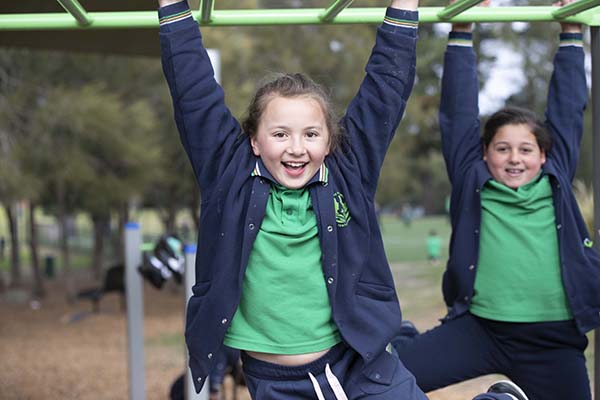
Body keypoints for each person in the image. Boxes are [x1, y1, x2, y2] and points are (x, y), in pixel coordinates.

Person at [157, 0, 528, 398]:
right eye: (280, 134)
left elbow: (385, 87)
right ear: (254, 140)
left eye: (311, 135)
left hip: (356, 366)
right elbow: (193, 92)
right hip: (271, 380)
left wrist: (404, 6)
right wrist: (171, 7)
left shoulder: (347, 173)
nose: (296, 148)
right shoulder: (229, 175)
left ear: (330, 141)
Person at [393, 1, 599, 399]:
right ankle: (403, 339)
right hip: (481, 329)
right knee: (381, 383)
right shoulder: (473, 178)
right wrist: (462, 32)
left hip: (552, 341)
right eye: (502, 148)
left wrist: (572, 34)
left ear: (544, 155)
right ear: (485, 153)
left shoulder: (555, 177)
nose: (514, 158)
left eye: (525, 149)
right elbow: (457, 114)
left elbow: (569, 108)